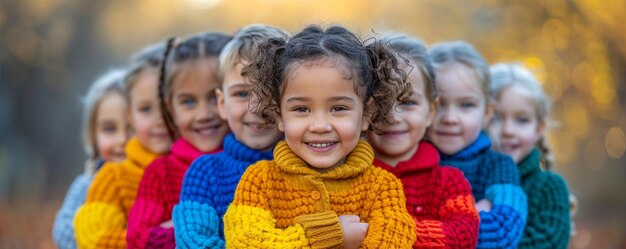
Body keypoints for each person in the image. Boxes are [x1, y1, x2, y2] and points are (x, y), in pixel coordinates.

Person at [223, 25, 416, 248]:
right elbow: (245, 242)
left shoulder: (383, 188)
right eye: (301, 109)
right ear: (280, 116)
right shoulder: (259, 181)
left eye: (338, 108)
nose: (320, 125)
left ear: (366, 114)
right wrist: (330, 234)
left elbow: (392, 243)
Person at [173, 24, 289, 248]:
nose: (256, 107)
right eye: (242, 93)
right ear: (222, 103)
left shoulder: (310, 165)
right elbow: (193, 242)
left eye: (270, 92)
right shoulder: (206, 173)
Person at [367, 34, 479, 248]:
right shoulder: (346, 175)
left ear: (431, 111)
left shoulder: (448, 181)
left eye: (408, 102)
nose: (392, 116)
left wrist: (384, 230)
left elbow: (463, 236)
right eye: (381, 101)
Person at [126, 32, 232, 249]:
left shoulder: (253, 162)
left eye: (214, 97)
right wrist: (189, 232)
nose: (203, 114)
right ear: (170, 108)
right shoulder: (160, 174)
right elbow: (137, 237)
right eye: (188, 102)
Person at [427, 41, 527, 249]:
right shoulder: (412, 161)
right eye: (439, 104)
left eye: (466, 105)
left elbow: (503, 232)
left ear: (487, 113)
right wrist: (475, 213)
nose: (450, 118)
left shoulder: (499, 166)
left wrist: (427, 230)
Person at [487, 63, 571, 249]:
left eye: (521, 120)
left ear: (539, 129)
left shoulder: (549, 188)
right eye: (496, 118)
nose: (508, 131)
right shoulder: (464, 178)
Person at [53, 69, 128, 249]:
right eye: (109, 129)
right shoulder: (87, 185)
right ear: (93, 136)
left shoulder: (156, 182)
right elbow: (63, 231)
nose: (122, 140)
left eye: (131, 128)